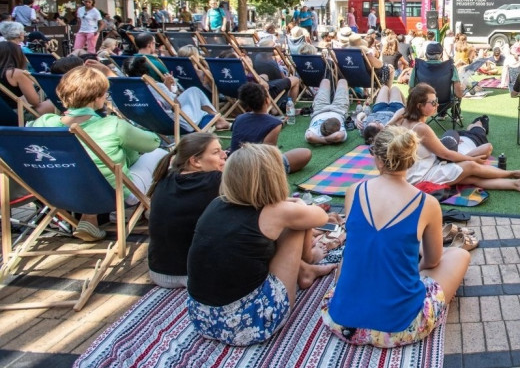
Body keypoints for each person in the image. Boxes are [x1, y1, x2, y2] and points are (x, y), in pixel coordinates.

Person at [321, 126, 471, 348]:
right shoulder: (427, 203)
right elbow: (432, 261)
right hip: (400, 327)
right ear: (411, 160)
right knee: (458, 255)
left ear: (378, 159)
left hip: (341, 321)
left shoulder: (354, 191)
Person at [186, 144, 338, 346]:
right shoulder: (277, 212)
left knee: (287, 224)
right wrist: (300, 205)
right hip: (246, 325)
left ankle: (306, 268)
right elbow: (319, 217)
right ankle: (307, 268)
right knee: (298, 223)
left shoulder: (216, 204)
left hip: (202, 319)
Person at [31, 66, 167, 241]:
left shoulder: (43, 123)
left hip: (57, 193)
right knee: (161, 153)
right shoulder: (112, 125)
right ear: (97, 98)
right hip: (114, 197)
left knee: (89, 168)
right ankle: (152, 209)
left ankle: (90, 219)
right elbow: (152, 142)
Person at [396, 83, 520, 191]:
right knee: (470, 166)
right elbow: (446, 153)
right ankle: (512, 174)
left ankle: (517, 184)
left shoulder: (403, 118)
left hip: (417, 171)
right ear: (419, 106)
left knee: (471, 178)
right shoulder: (421, 127)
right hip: (421, 176)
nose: (437, 104)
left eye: (436, 100)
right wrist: (472, 158)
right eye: (433, 102)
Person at [147, 133, 226, 288]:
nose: (224, 155)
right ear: (195, 161)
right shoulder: (215, 180)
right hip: (196, 275)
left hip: (158, 272)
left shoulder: (165, 177)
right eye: (216, 152)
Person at [122, 57, 230, 131]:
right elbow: (176, 105)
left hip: (149, 123)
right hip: (177, 124)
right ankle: (218, 119)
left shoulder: (127, 88)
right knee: (197, 98)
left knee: (193, 90)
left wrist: (165, 88)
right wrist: (168, 89)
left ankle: (218, 119)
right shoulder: (155, 86)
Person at [230, 82, 311, 172]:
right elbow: (269, 155)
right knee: (305, 153)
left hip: (234, 164)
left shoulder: (239, 118)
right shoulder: (274, 123)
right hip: (256, 169)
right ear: (267, 100)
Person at [0, 40, 57, 115]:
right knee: (56, 103)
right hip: (15, 115)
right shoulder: (16, 73)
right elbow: (34, 101)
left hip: (3, 113)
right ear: (17, 55)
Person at [253, 35, 302, 102]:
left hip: (262, 83)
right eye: (274, 46)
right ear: (270, 49)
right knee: (296, 80)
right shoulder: (270, 62)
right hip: (272, 86)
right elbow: (281, 77)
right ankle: (290, 107)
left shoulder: (256, 57)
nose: (276, 47)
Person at [305, 77, 351, 145]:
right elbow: (338, 136)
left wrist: (323, 140)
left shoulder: (316, 132)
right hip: (339, 110)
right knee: (342, 81)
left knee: (325, 81)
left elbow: (309, 137)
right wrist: (327, 140)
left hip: (319, 110)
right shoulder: (337, 133)